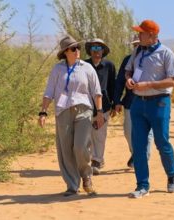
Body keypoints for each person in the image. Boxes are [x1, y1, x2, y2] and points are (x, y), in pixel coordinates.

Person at [39, 35, 103, 196]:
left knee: (81, 146)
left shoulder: (87, 68)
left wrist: (100, 112)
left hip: (84, 110)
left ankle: (86, 176)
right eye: (73, 49)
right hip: (63, 111)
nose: (77, 51)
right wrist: (43, 112)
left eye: (78, 48)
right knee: (66, 149)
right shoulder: (57, 69)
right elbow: (49, 92)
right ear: (66, 52)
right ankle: (72, 185)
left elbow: (97, 92)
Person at [125, 19, 174, 198]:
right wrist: (129, 79)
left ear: (152, 35)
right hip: (138, 103)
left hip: (160, 102)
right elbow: (129, 70)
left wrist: (149, 84)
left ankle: (172, 175)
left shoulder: (166, 54)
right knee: (138, 146)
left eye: (141, 32)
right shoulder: (137, 51)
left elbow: (172, 81)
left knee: (161, 142)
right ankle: (142, 185)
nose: (138, 35)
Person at [113, 35, 153, 168]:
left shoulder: (152, 60)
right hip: (131, 102)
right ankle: (136, 154)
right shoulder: (127, 61)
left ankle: (142, 159)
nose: (138, 47)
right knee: (128, 131)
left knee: (147, 133)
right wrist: (117, 101)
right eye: (135, 45)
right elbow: (119, 81)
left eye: (140, 45)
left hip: (150, 102)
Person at [84, 38, 116, 175]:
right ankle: (88, 159)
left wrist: (115, 103)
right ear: (90, 51)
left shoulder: (109, 65)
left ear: (103, 51)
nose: (97, 52)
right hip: (86, 105)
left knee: (99, 134)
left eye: (99, 49)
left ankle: (97, 160)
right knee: (87, 134)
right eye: (94, 48)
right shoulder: (83, 65)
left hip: (105, 105)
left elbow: (113, 85)